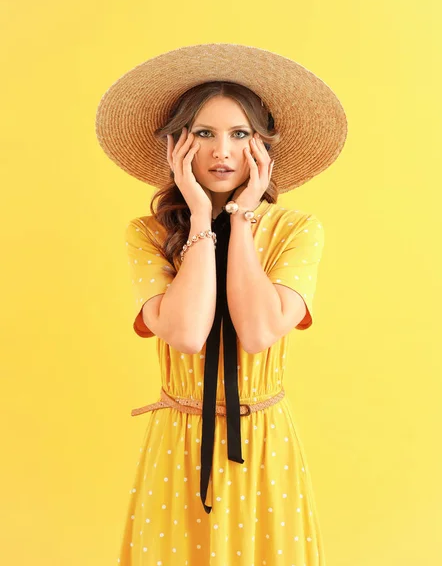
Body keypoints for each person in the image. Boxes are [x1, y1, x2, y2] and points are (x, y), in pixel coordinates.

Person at [95, 42, 348, 565]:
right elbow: (186, 333)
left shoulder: (297, 230)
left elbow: (258, 332)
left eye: (240, 135)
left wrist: (242, 219)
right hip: (179, 444)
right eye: (203, 134)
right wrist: (199, 219)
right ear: (176, 146)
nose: (222, 152)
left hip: (263, 442)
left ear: (263, 147)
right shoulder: (148, 233)